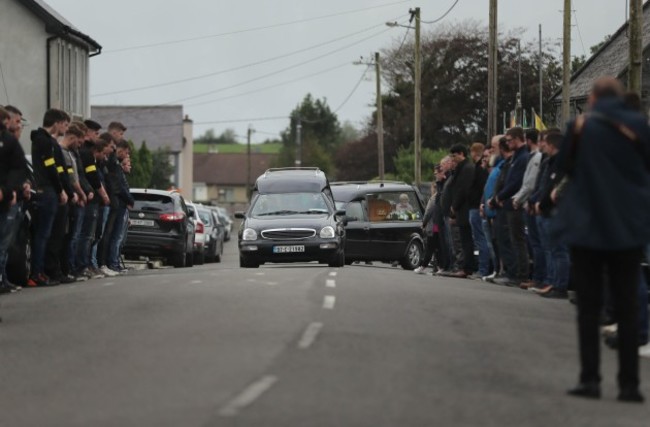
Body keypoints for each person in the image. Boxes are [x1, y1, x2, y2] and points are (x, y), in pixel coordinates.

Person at [552, 76, 650, 403]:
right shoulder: (640, 125)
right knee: (627, 303)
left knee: (589, 307)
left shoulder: (580, 127)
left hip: (588, 225)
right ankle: (629, 385)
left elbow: (563, 165)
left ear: (592, 99)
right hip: (628, 225)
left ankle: (590, 379)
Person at [28, 109, 70, 287]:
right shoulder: (43, 141)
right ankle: (37, 273)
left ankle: (42, 272)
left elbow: (57, 168)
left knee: (47, 235)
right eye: (64, 124)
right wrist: (60, 190)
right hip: (47, 190)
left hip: (49, 190)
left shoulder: (47, 141)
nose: (65, 129)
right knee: (43, 235)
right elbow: (51, 168)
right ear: (57, 122)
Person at [0, 107, 29, 294]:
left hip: (4, 201)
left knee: (3, 244)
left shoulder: (8, 142)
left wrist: (7, 190)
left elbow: (19, 169)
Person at [447, 144, 476, 278]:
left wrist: (455, 205)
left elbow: (463, 189)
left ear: (461, 154)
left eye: (454, 156)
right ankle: (465, 267)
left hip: (464, 209)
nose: (453, 159)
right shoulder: (461, 169)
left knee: (466, 240)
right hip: (461, 210)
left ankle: (467, 267)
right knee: (464, 240)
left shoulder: (467, 168)